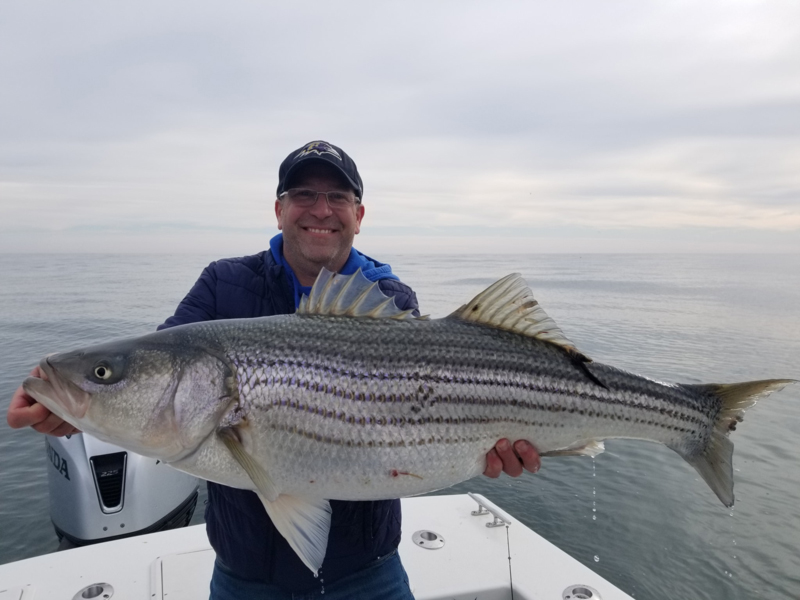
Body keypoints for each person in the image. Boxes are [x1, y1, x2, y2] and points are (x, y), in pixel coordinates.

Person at [7, 140, 541, 599]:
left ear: (359, 214)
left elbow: (439, 407)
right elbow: (153, 371)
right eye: (303, 195)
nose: (320, 209)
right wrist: (72, 410)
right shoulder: (222, 284)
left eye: (337, 196)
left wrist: (491, 441)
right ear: (279, 209)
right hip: (247, 575)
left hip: (369, 570)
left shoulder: (389, 298)